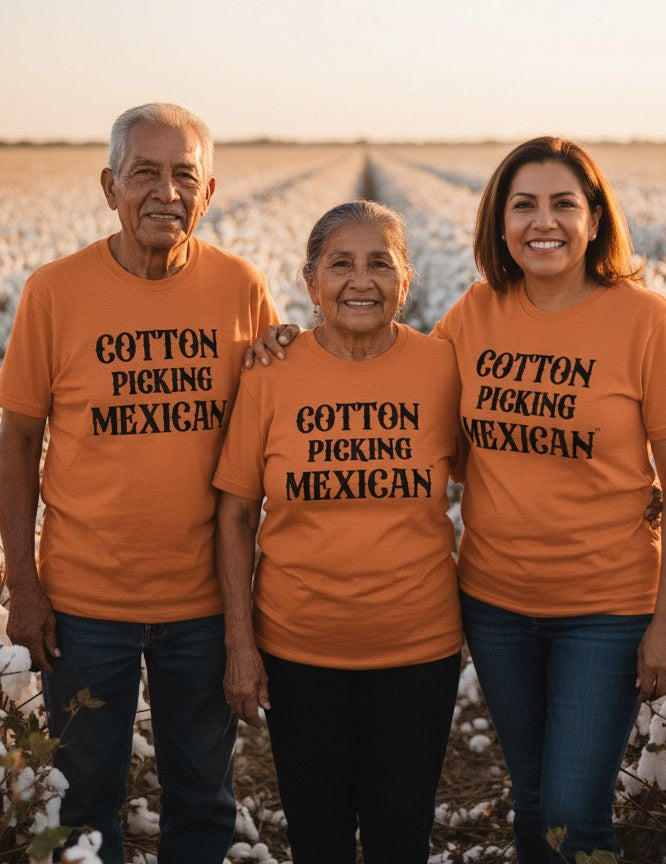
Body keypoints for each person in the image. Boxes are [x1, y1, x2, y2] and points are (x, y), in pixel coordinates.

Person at [0, 102, 279, 864]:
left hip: (205, 605)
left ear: (208, 192)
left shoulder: (240, 287)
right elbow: (18, 444)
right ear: (109, 185)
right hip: (83, 607)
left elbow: (279, 416)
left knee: (203, 800)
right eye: (144, 172)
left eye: (184, 174)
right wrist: (24, 586)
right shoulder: (54, 292)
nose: (165, 192)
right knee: (84, 805)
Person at [431, 136, 666, 863]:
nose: (543, 222)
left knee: (572, 812)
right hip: (494, 604)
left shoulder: (645, 321)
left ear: (594, 220)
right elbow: (406, 397)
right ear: (500, 224)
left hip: (606, 611)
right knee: (534, 801)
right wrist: (294, 347)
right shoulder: (475, 312)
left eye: (563, 204)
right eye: (523, 205)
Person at [213, 200, 464, 864]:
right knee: (316, 836)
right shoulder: (270, 372)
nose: (361, 281)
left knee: (400, 836)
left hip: (419, 651)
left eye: (380, 264)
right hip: (298, 651)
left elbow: (505, 464)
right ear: (310, 280)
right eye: (340, 264)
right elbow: (235, 516)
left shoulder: (443, 368)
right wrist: (240, 645)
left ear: (405, 281)